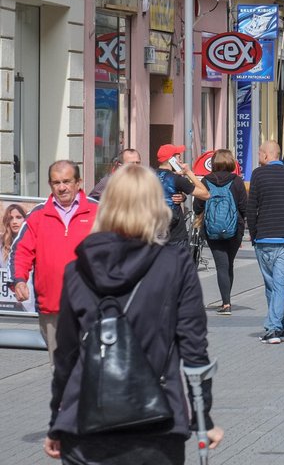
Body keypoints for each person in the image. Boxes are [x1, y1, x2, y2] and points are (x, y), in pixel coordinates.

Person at [45, 164, 223, 463]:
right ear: (156, 204)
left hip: (84, 422)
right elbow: (194, 348)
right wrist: (202, 417)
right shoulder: (175, 263)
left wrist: (56, 421)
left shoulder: (77, 269)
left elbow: (66, 355)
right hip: (157, 422)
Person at [10, 161, 98, 361]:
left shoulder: (98, 212)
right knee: (61, 371)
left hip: (91, 306)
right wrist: (19, 280)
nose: (61, 187)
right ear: (50, 184)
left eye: (67, 181)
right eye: (56, 182)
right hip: (52, 308)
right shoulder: (37, 215)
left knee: (91, 369)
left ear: (78, 183)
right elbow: (20, 251)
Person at [247, 140, 284, 344]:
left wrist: (254, 235)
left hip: (264, 238)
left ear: (265, 155)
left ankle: (272, 329)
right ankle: (280, 325)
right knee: (278, 285)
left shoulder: (257, 174)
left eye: (259, 153)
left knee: (272, 284)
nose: (258, 156)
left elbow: (251, 207)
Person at [193, 149, 247, 316]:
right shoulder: (237, 181)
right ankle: (226, 301)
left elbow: (197, 207)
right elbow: (244, 207)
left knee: (221, 266)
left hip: (212, 228)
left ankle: (226, 303)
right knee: (228, 264)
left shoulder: (206, 182)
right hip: (234, 229)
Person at [155, 144, 210, 249]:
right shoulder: (176, 179)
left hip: (152, 231)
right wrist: (188, 172)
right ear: (172, 160)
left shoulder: (148, 175)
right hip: (175, 235)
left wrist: (183, 196)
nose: (181, 160)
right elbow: (205, 194)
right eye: (178, 157)